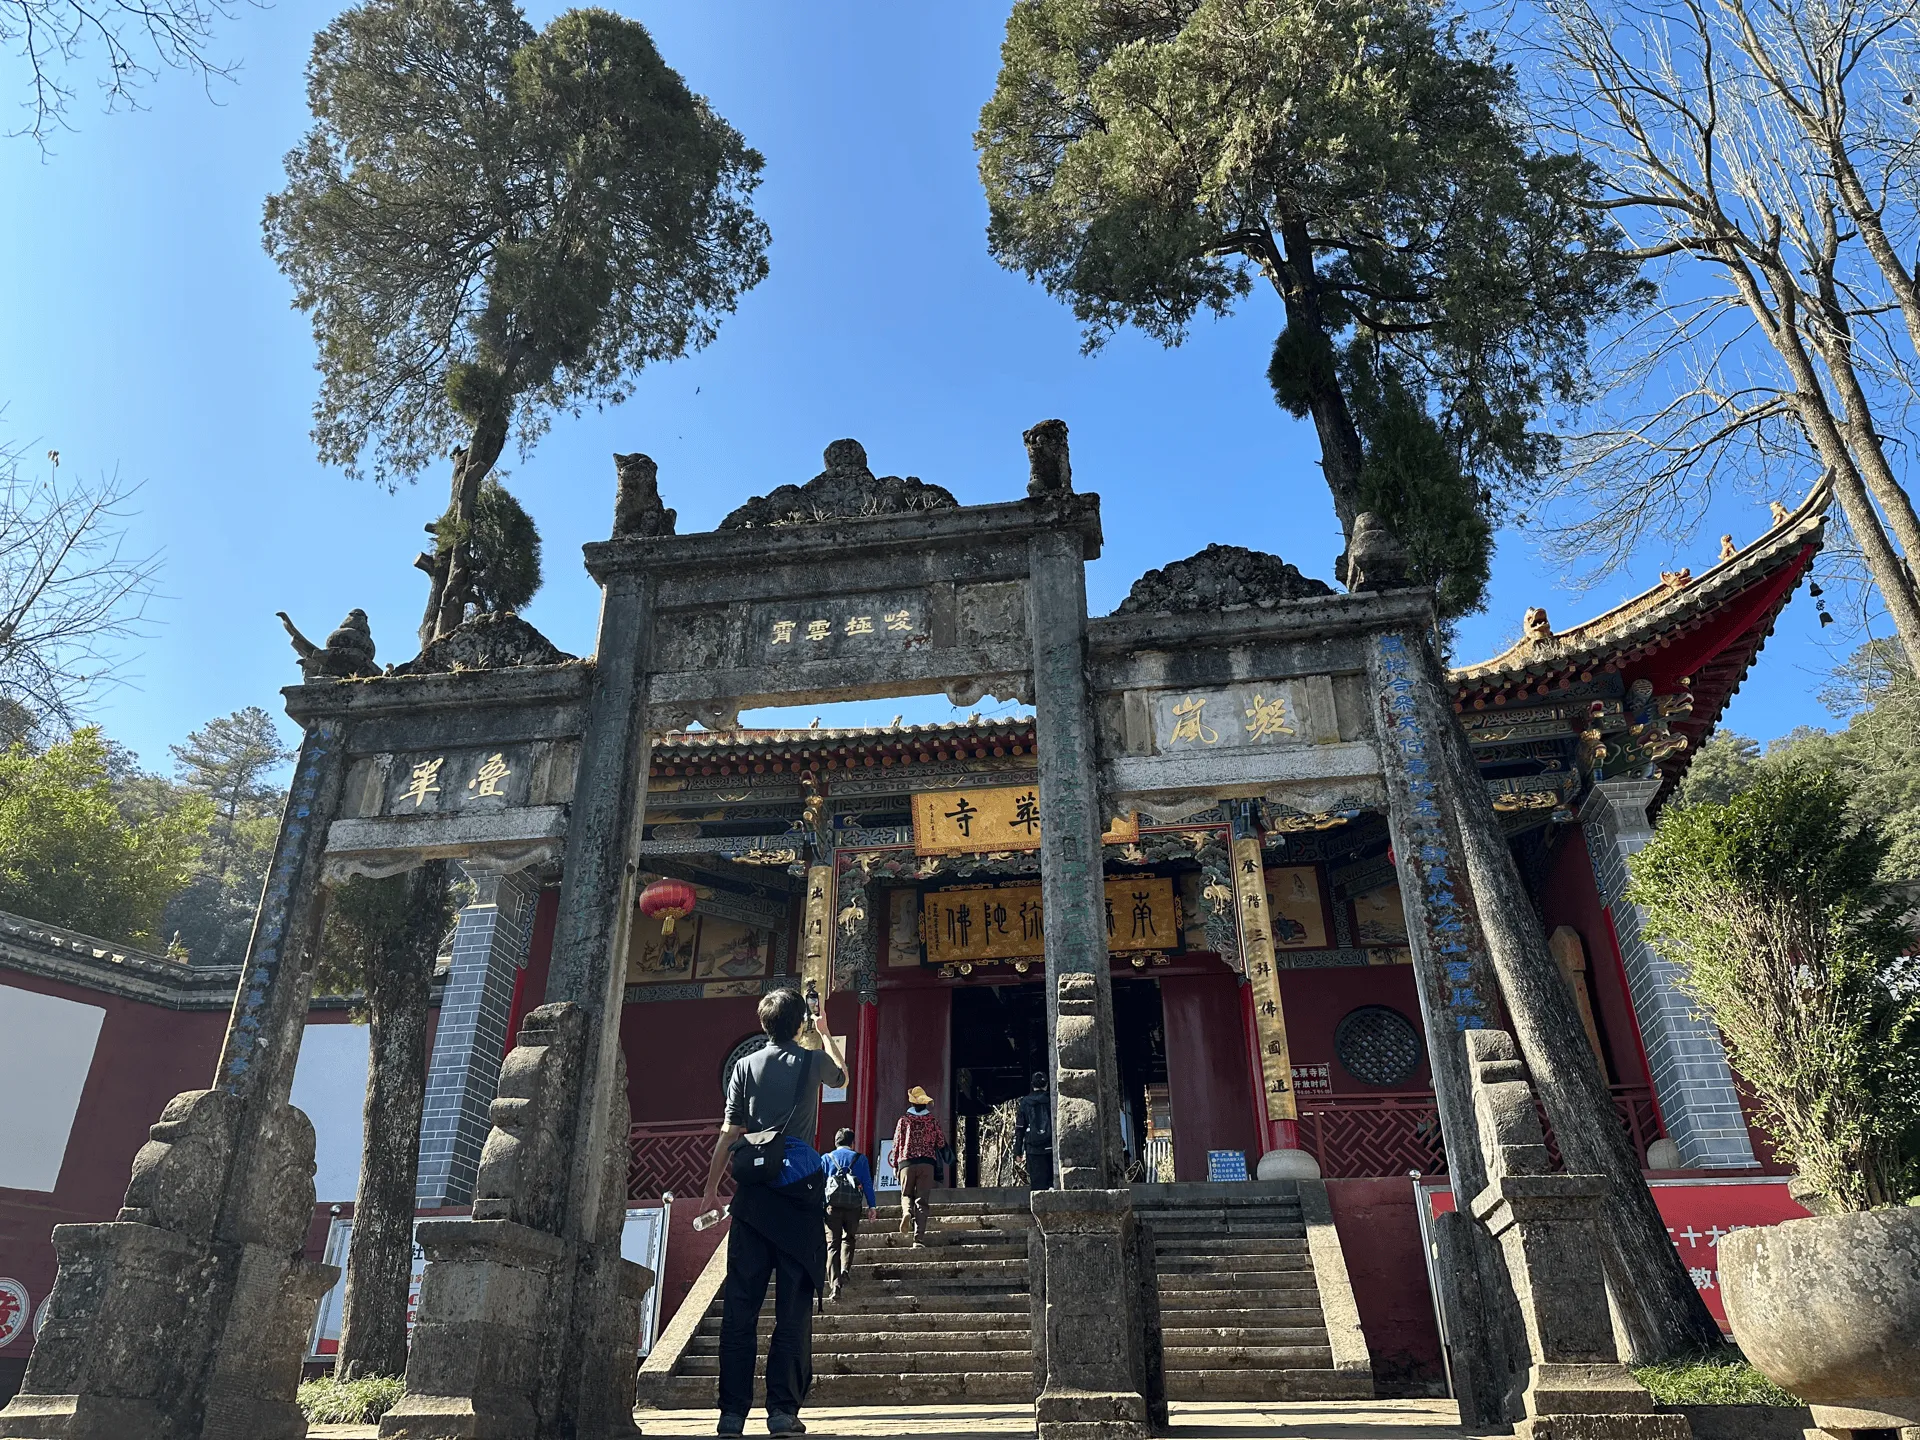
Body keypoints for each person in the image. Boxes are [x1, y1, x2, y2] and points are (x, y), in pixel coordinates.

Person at [701, 988, 847, 1438]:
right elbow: (841, 1077)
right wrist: (824, 1035)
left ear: (763, 1024)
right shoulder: (810, 1060)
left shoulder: (744, 1066)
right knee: (793, 1309)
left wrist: (710, 1193)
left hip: (753, 1197)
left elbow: (730, 1133)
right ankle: (782, 1412)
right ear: (800, 1021)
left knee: (740, 1309)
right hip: (800, 1197)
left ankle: (731, 1414)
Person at [819, 1127, 876, 1302]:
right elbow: (866, 1182)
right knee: (849, 1238)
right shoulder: (860, 1159)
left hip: (832, 1208)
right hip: (853, 1207)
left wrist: (819, 1207)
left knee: (832, 1244)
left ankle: (834, 1285)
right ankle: (845, 1270)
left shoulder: (826, 1159)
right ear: (852, 1143)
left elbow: (820, 1185)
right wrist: (872, 1206)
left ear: (836, 1142)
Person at [890, 1085, 946, 1245]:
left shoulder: (903, 1121)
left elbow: (896, 1144)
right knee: (922, 1201)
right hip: (927, 1164)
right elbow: (940, 1142)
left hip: (906, 1163)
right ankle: (918, 1238)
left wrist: (895, 1165)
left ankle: (907, 1211)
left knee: (906, 1194)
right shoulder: (932, 1121)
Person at [1011, 1070, 1054, 1189]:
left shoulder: (1025, 1102)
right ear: (1046, 1084)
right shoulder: (1052, 1099)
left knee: (1037, 1185)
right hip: (1051, 1146)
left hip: (1033, 1148)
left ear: (1032, 1084)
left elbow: (1020, 1128)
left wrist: (1018, 1151)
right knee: (1053, 1183)